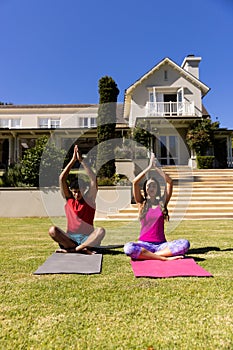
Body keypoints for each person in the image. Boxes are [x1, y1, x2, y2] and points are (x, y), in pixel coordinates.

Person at [124, 153, 190, 261]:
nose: (151, 187)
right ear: (145, 189)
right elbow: (135, 182)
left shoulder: (162, 203)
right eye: (148, 185)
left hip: (161, 245)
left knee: (184, 244)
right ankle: (163, 257)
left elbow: (170, 182)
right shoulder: (141, 203)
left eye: (154, 185)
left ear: (157, 189)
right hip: (144, 244)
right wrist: (149, 167)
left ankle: (149, 256)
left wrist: (156, 168)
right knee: (128, 248)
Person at [49, 144, 105, 254]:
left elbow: (93, 179)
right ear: (71, 191)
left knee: (101, 231)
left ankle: (75, 250)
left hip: (87, 238)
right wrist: (73, 160)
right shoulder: (69, 200)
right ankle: (80, 249)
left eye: (79, 191)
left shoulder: (89, 199)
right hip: (71, 239)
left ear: (84, 189)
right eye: (74, 191)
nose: (77, 194)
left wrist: (81, 161)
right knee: (52, 230)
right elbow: (62, 178)